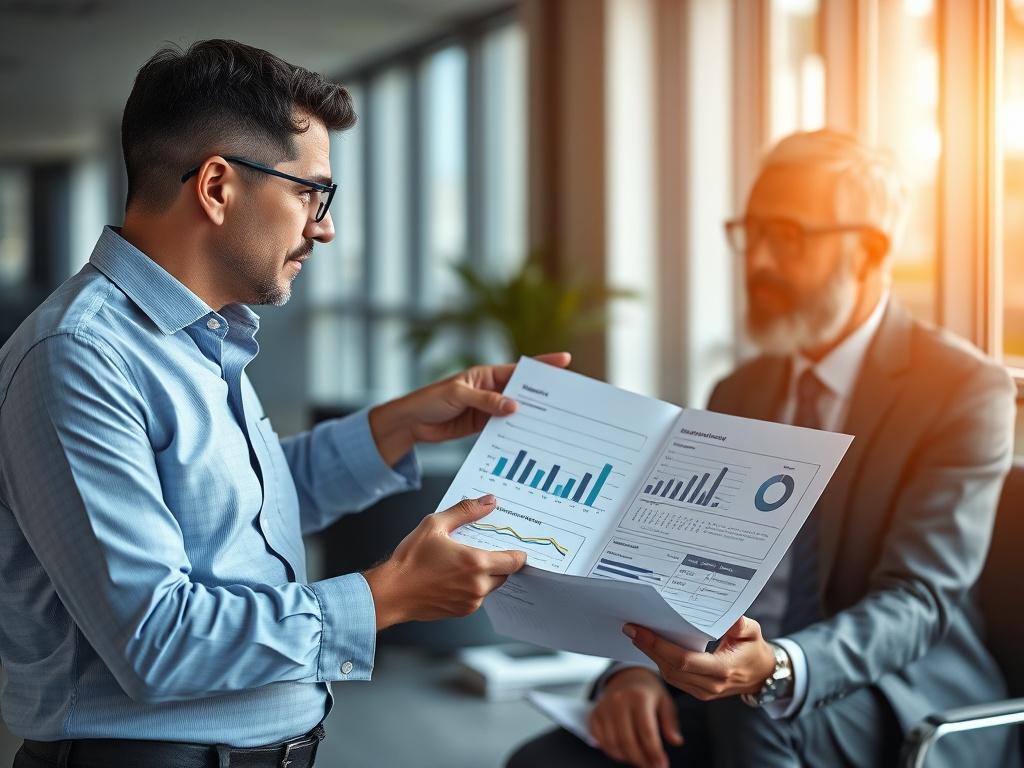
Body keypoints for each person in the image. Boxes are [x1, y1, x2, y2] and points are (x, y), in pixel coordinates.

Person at [0, 39, 568, 768]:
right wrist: (385, 595)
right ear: (216, 186)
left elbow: (235, 515)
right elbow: (157, 639)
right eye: (310, 192)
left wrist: (396, 426)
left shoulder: (200, 337)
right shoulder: (81, 356)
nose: (324, 226)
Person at [507, 130, 1018, 768]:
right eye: (752, 232)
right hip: (724, 674)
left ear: (866, 252)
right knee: (548, 762)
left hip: (890, 689)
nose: (759, 261)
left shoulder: (963, 390)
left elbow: (919, 600)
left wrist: (777, 667)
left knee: (753, 714)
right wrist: (634, 672)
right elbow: (673, 568)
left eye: (789, 237)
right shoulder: (742, 387)